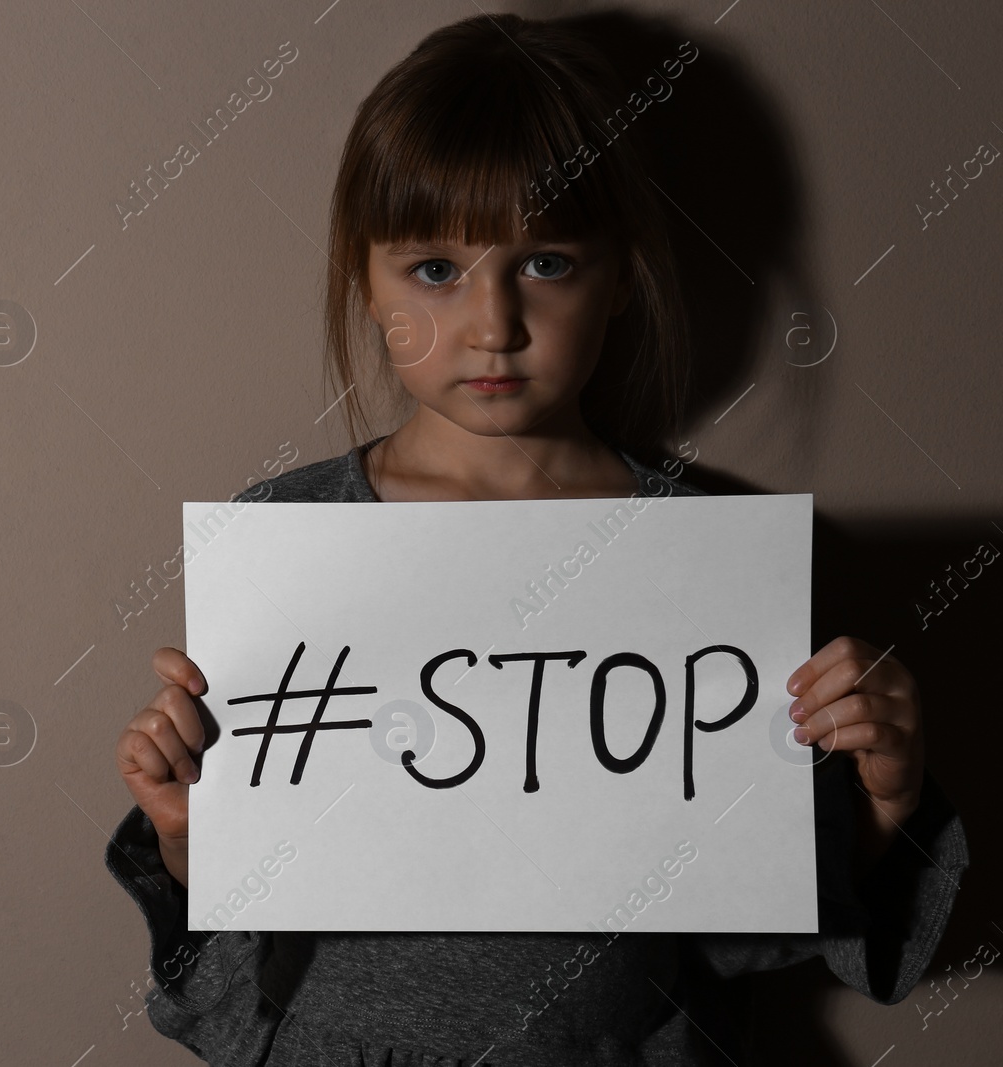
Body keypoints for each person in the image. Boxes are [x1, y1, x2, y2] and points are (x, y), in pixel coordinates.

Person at [106, 13, 968, 1065]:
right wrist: (191, 831)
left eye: (546, 262)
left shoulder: (693, 561)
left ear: (619, 278)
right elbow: (243, 947)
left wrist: (883, 801)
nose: (491, 323)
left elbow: (743, 927)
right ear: (365, 282)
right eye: (433, 268)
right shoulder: (288, 539)